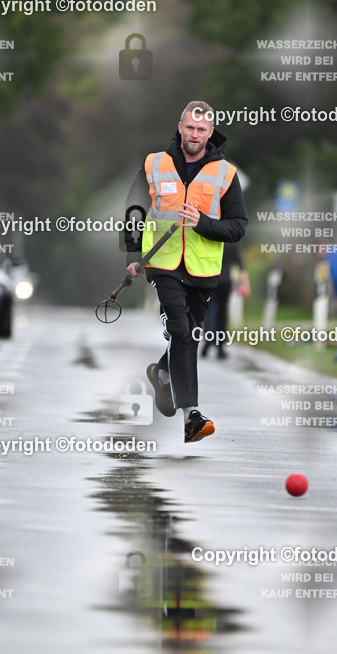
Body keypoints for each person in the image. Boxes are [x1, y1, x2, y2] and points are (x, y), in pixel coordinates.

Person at [124, 100, 248, 442]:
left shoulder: (226, 173)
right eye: (190, 127)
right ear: (180, 127)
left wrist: (204, 223)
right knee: (181, 330)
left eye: (201, 130)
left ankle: (161, 372)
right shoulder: (155, 164)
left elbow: (238, 227)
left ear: (211, 134)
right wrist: (132, 253)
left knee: (188, 335)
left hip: (203, 269)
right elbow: (135, 208)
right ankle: (191, 415)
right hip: (163, 263)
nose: (194, 134)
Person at [200, 242, 249, 360]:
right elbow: (240, 264)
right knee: (222, 313)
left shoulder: (211, 235)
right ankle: (220, 347)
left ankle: (207, 342)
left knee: (208, 311)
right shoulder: (231, 240)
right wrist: (246, 284)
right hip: (225, 282)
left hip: (210, 279)